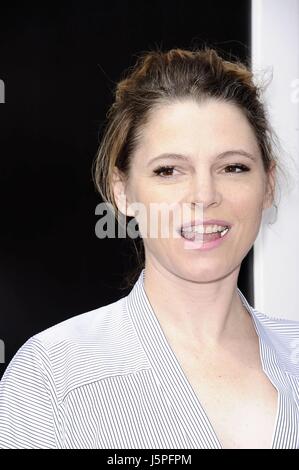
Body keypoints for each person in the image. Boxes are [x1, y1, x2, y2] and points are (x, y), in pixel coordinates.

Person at [0, 46, 298, 449]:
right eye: (169, 170)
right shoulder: (51, 376)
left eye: (233, 167)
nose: (204, 195)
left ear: (268, 185)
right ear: (122, 192)